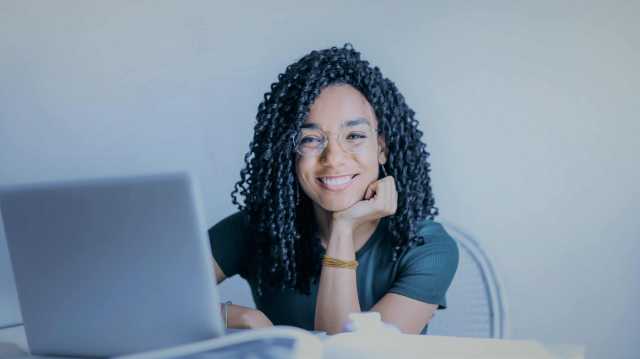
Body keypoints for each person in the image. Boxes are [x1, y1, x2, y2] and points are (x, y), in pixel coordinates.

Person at [208, 44, 458, 334]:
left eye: (354, 135)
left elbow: (351, 354)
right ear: (288, 152)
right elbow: (149, 302)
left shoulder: (428, 248)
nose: (334, 158)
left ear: (382, 148)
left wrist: (343, 227)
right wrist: (237, 316)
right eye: (311, 139)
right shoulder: (255, 229)